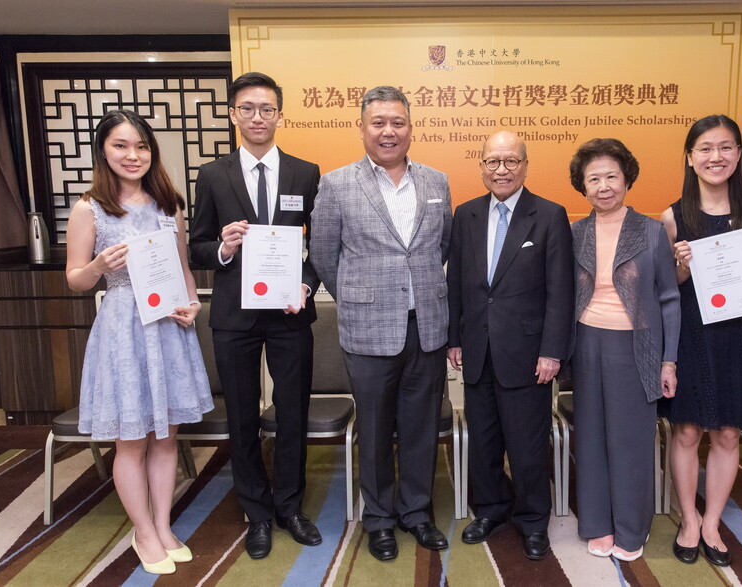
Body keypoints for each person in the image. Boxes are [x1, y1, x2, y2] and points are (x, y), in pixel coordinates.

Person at [66, 109, 213, 575]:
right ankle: (143, 532)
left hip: (170, 326)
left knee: (167, 437)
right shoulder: (90, 208)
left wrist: (192, 304)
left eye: (142, 146)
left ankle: (163, 524)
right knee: (132, 440)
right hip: (124, 328)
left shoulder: (169, 204)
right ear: (103, 151)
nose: (133, 155)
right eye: (121, 146)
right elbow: (74, 279)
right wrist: (97, 266)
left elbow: (185, 270)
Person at [311, 86, 452, 562]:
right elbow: (325, 256)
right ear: (363, 128)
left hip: (426, 325)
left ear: (411, 127)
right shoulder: (336, 184)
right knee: (373, 429)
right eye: (378, 122)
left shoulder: (436, 182)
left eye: (397, 122)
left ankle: (416, 513)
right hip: (368, 328)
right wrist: (362, 296)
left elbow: (440, 249)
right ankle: (379, 519)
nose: (388, 131)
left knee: (420, 425)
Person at [189, 72, 322, 559]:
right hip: (234, 317)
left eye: (267, 109)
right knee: (242, 417)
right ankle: (257, 514)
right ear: (233, 115)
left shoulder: (306, 173)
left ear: (280, 115)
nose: (257, 117)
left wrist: (306, 285)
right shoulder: (213, 174)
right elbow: (195, 247)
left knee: (293, 414)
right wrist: (222, 247)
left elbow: (317, 247)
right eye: (247, 108)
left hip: (290, 315)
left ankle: (289, 507)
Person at [658, 115, 742, 567]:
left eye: (726, 147)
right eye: (706, 149)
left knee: (729, 431)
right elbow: (666, 287)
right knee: (688, 429)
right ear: (690, 159)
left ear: (738, 154)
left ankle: (712, 521)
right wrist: (682, 266)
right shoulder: (673, 217)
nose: (716, 157)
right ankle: (689, 519)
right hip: (693, 335)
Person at [446, 130, 573, 561]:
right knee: (483, 442)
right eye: (492, 161)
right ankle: (492, 509)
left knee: (527, 446)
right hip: (477, 350)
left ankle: (533, 520)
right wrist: (454, 338)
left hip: (529, 354)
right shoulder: (466, 215)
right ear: (481, 165)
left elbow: (561, 291)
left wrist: (552, 350)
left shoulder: (550, 215)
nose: (501, 169)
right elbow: (457, 283)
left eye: (510, 161)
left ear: (525, 165)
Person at [568, 138, 680, 562]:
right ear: (583, 185)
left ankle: (631, 528)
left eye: (611, 176)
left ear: (626, 178)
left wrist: (668, 359)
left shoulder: (651, 231)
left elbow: (669, 298)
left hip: (637, 345)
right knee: (592, 435)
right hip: (585, 342)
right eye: (593, 178)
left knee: (631, 439)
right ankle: (596, 523)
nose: (603, 186)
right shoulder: (574, 231)